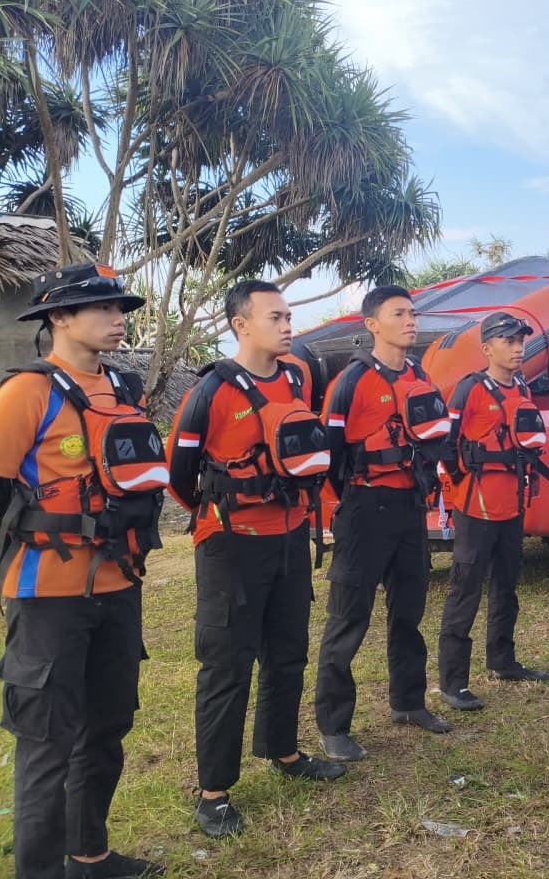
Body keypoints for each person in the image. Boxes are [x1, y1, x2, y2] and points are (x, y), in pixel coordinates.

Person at [0, 262, 165, 879]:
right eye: (103, 307)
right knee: (46, 741)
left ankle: (89, 856)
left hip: (120, 583)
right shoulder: (26, 393)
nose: (118, 319)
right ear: (59, 316)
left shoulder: (125, 390)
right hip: (47, 594)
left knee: (107, 726)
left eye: (121, 308)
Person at [167, 280, 345, 839]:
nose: (288, 326)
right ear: (241, 325)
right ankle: (214, 793)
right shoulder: (211, 391)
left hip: (290, 535)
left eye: (289, 316)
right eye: (275, 317)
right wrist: (226, 508)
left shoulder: (297, 376)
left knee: (288, 651)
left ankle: (284, 751)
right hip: (231, 543)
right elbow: (179, 474)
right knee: (227, 666)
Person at [313, 285, 453, 761]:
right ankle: (334, 727)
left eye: (413, 313)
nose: (411, 321)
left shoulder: (419, 374)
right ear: (372, 324)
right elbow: (329, 455)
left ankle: (409, 703)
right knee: (348, 619)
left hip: (410, 509)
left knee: (409, 611)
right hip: (363, 510)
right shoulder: (351, 381)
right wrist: (354, 497)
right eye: (399, 314)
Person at [436, 311, 549, 712]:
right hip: (476, 509)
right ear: (487, 348)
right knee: (464, 592)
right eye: (509, 341)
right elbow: (446, 443)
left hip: (512, 506)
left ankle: (503, 661)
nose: (518, 348)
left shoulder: (521, 386)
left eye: (521, 341)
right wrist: (461, 481)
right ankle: (453, 683)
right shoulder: (469, 389)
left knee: (507, 585)